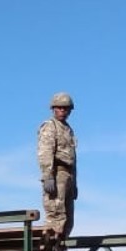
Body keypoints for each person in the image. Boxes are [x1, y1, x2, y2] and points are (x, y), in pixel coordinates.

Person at [36, 92, 78, 238]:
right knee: (56, 214)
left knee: (68, 220)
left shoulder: (68, 130)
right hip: (56, 173)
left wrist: (74, 184)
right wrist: (48, 176)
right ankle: (50, 249)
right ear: (53, 109)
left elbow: (73, 159)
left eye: (65, 108)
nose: (62, 111)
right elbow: (45, 152)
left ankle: (60, 248)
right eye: (59, 108)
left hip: (68, 176)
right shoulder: (50, 126)